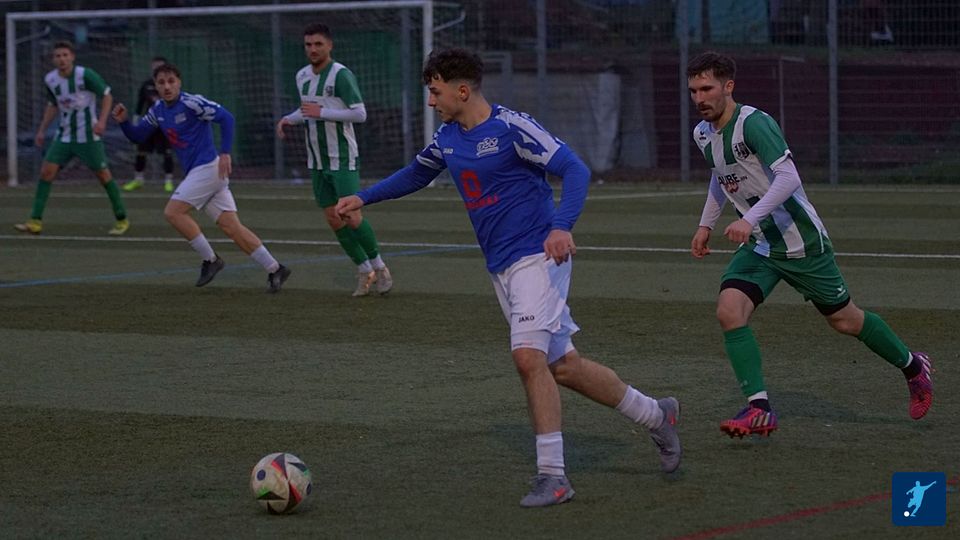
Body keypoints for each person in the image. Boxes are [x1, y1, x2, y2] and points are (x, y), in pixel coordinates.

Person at [335, 48, 681, 508]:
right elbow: (416, 174)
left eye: (435, 91)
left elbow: (574, 168)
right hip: (502, 266)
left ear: (462, 90)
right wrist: (364, 198)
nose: (431, 101)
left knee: (526, 357)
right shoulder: (448, 136)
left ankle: (553, 476)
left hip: (539, 256)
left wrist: (561, 227)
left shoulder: (512, 127)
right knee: (564, 367)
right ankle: (657, 415)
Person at [686, 51, 932, 438]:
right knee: (729, 311)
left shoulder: (754, 124)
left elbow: (789, 179)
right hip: (762, 246)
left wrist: (749, 218)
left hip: (800, 243)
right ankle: (759, 409)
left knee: (845, 320)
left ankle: (913, 367)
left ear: (728, 86)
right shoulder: (702, 133)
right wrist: (706, 224)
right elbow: (721, 176)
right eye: (694, 91)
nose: (699, 98)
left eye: (707, 89)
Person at [113, 62, 291, 293]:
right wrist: (124, 122)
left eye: (171, 81)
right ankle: (275, 268)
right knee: (232, 227)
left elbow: (227, 118)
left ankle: (211, 260)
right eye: (161, 82)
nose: (167, 86)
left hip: (208, 168)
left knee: (173, 212)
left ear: (179, 82)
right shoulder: (157, 110)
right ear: (155, 86)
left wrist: (225, 152)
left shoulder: (191, 103)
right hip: (204, 173)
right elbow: (138, 136)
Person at [276, 23, 391, 297]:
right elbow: (308, 110)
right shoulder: (302, 75)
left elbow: (359, 114)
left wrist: (322, 113)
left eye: (318, 44)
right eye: (308, 45)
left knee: (350, 214)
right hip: (317, 159)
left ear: (329, 45)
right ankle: (364, 269)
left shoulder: (341, 75)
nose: (313, 49)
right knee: (333, 218)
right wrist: (288, 119)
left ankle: (380, 267)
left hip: (342, 157)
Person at [14, 41, 129, 236]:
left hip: (88, 136)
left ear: (72, 57)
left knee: (103, 175)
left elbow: (107, 95)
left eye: (65, 55)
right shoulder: (50, 79)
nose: (62, 59)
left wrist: (102, 122)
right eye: (58, 56)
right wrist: (41, 130)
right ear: (53, 59)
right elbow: (53, 104)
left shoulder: (85, 75)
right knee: (46, 173)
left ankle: (122, 218)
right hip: (64, 136)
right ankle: (35, 221)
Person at [122, 56, 176, 193]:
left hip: (165, 124)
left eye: (160, 66)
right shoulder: (146, 85)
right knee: (141, 151)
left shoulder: (171, 85)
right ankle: (138, 179)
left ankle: (168, 181)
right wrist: (136, 120)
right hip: (148, 124)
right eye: (155, 66)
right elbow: (140, 104)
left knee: (167, 152)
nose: (157, 68)